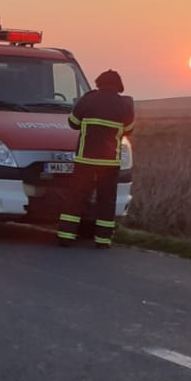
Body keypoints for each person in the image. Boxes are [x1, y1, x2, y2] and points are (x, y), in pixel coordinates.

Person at [56, 69, 134, 248]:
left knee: (76, 197)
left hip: (85, 159)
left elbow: (73, 123)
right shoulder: (124, 105)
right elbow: (129, 130)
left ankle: (66, 236)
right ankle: (103, 240)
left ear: (99, 82)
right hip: (110, 162)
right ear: (118, 85)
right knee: (106, 200)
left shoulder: (88, 99)